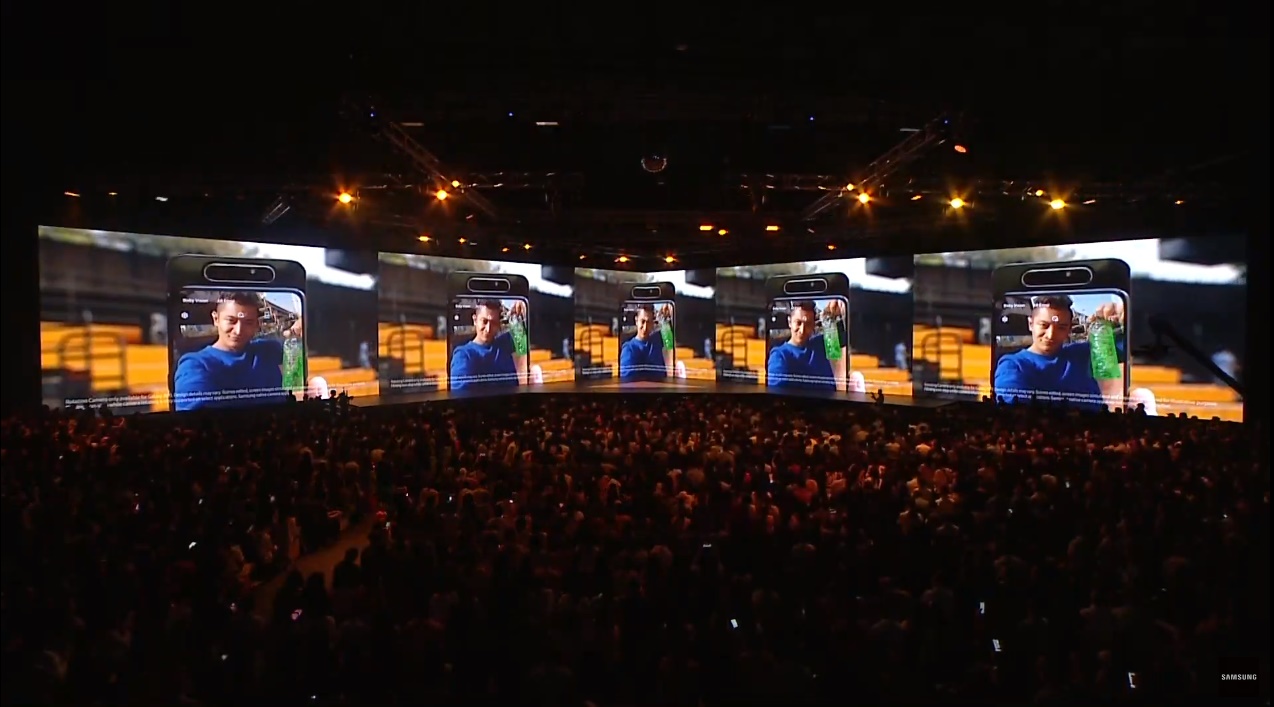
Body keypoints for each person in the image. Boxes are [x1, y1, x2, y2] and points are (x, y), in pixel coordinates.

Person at [173, 291, 302, 410]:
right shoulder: (194, 365)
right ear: (216, 319)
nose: (238, 331)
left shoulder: (269, 349)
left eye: (248, 322)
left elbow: (297, 368)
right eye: (231, 320)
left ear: (257, 325)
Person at [994, 295, 1124, 410]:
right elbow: (1017, 414)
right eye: (1044, 325)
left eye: (1061, 327)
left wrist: (1125, 318)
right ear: (1030, 324)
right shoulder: (1013, 366)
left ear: (1069, 329)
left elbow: (1128, 345)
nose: (1051, 335)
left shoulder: (1083, 354)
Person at [766, 300, 847, 390]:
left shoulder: (820, 344)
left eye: (808, 324)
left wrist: (835, 314)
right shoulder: (780, 355)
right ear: (789, 322)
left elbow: (841, 341)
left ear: (813, 326)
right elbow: (776, 391)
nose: (802, 330)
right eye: (798, 323)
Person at [449, 299, 528, 390]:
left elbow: (522, 337)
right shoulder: (463, 355)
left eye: (493, 323)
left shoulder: (505, 343)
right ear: (475, 320)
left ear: (498, 325)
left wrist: (520, 309)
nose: (488, 329)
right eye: (484, 321)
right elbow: (460, 394)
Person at [619, 303, 673, 382]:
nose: (645, 328)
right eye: (643, 321)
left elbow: (669, 330)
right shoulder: (629, 349)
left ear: (652, 324)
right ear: (636, 321)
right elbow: (628, 383)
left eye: (648, 322)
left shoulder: (657, 339)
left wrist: (668, 312)